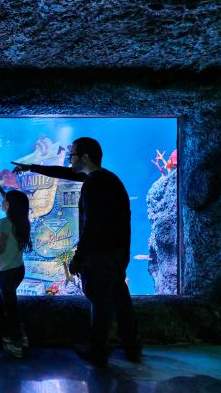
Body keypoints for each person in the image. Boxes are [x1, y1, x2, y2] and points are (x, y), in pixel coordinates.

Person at [13, 137, 141, 367]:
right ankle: (132, 346)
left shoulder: (94, 184)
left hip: (100, 254)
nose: (69, 159)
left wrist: (78, 257)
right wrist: (31, 167)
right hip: (115, 252)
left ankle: (98, 349)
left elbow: (92, 224)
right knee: (120, 299)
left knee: (100, 302)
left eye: (72, 155)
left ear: (85, 157)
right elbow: (65, 173)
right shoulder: (107, 179)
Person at [0, 183, 32, 359]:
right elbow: (13, 202)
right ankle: (17, 335)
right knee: (6, 302)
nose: (2, 203)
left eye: (4, 201)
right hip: (19, 270)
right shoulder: (23, 222)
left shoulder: (4, 223)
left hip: (6, 271)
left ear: (9, 206)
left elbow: (1, 247)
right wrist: (0, 190)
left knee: (10, 308)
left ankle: (17, 343)